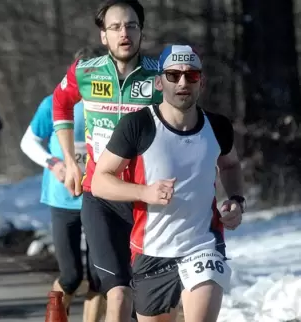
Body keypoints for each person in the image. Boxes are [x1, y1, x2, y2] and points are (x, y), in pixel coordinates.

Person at [91, 45, 244, 321]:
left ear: (202, 82)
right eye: (173, 76)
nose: (183, 83)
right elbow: (100, 181)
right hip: (152, 251)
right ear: (159, 82)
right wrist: (144, 192)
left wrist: (236, 200)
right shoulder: (137, 125)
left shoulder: (218, 126)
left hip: (203, 245)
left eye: (191, 76)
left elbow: (230, 164)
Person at [52, 0, 162, 320]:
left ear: (141, 32)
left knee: (145, 301)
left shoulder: (161, 76)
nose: (124, 33)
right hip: (100, 196)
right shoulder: (85, 72)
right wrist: (71, 162)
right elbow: (60, 104)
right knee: (117, 292)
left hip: (146, 199)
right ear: (104, 36)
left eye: (131, 26)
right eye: (115, 27)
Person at [20, 46, 107, 321]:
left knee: (99, 277)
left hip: (99, 197)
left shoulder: (109, 104)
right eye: (83, 71)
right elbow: (28, 142)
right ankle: (56, 316)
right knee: (70, 276)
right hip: (63, 198)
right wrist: (54, 163)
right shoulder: (55, 102)